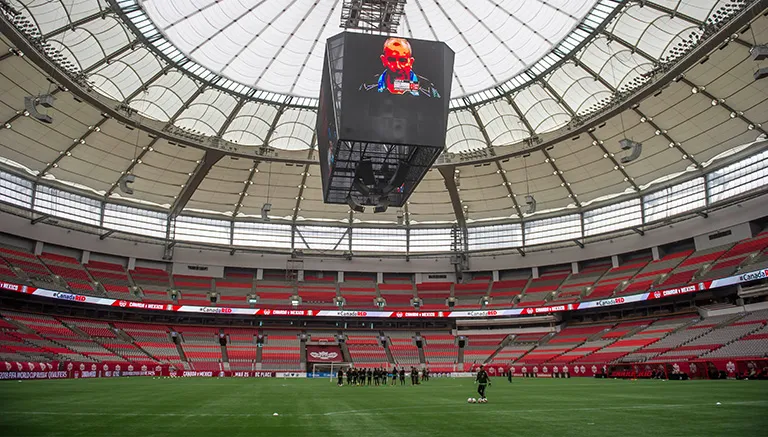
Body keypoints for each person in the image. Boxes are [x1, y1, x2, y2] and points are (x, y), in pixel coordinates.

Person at [359, 37, 441, 98]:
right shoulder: (367, 87)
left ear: (411, 62)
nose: (397, 66)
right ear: (383, 60)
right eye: (391, 60)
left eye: (402, 60)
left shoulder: (428, 90)